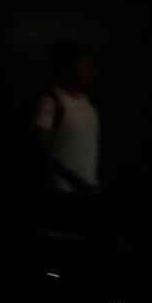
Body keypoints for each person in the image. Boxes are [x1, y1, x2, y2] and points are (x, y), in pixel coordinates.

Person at [33, 41, 101, 194]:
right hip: (63, 187)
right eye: (83, 66)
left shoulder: (88, 104)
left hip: (88, 185)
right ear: (65, 69)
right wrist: (75, 181)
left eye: (90, 66)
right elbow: (41, 151)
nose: (89, 71)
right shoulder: (51, 102)